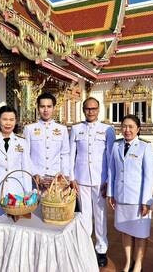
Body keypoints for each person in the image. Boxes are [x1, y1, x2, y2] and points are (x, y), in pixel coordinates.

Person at [69, 97, 115, 267]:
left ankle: (101, 249)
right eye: (88, 109)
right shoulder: (75, 129)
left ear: (98, 110)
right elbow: (70, 154)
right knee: (84, 216)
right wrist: (71, 177)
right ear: (83, 110)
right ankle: (85, 247)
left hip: (100, 179)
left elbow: (110, 157)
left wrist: (109, 179)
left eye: (94, 108)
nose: (91, 112)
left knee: (101, 215)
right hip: (81, 179)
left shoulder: (107, 130)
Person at [107, 114, 153, 272]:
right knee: (125, 230)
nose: (127, 130)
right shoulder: (116, 145)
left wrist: (146, 201)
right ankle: (128, 261)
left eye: (131, 127)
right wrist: (111, 193)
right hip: (121, 196)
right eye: (124, 126)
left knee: (141, 233)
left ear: (138, 129)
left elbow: (149, 176)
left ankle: (138, 263)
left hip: (138, 198)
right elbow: (111, 171)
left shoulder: (145, 147)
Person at [0, 106, 33, 222]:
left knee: (15, 230)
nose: (8, 123)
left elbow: (26, 170)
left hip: (17, 195)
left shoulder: (22, 142)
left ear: (16, 121)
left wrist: (28, 194)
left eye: (11, 119)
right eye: (5, 119)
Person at [23, 92, 70, 179]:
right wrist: (33, 173)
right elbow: (26, 155)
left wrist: (65, 174)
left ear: (54, 108)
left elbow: (65, 154)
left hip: (56, 177)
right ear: (37, 108)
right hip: (36, 177)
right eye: (42, 106)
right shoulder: (29, 129)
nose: (45, 110)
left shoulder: (62, 129)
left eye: (49, 106)